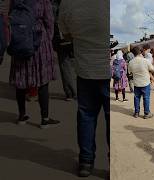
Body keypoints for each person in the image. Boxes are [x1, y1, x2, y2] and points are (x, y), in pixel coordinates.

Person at [59, 0, 109, 177]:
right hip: (108, 73)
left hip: (85, 70)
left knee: (86, 116)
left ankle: (86, 162)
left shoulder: (67, 3)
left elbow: (66, 35)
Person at [9, 0, 60, 128]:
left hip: (20, 39)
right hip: (38, 39)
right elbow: (49, 21)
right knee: (43, 81)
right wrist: (48, 39)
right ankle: (45, 119)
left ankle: (22, 116)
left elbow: (11, 16)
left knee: (20, 79)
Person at [52, 0, 76, 101]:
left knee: (65, 67)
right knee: (76, 66)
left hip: (61, 40)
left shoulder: (53, 5)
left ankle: (71, 93)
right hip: (74, 38)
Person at [128, 46, 154, 119]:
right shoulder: (146, 61)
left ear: (133, 54)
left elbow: (129, 73)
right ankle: (146, 113)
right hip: (145, 83)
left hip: (136, 83)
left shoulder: (131, 62)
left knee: (136, 98)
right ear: (140, 52)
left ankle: (136, 113)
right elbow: (153, 70)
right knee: (146, 98)